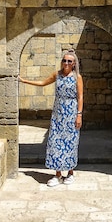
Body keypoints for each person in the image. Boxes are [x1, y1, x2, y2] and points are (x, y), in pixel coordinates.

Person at [18, 49, 83, 186]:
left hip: (71, 112)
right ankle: (58, 174)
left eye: (69, 61)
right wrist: (24, 81)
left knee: (70, 142)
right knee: (56, 142)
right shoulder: (57, 75)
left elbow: (80, 97)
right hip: (58, 113)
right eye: (64, 60)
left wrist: (79, 115)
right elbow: (42, 83)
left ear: (74, 64)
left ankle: (70, 172)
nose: (66, 63)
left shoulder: (77, 77)